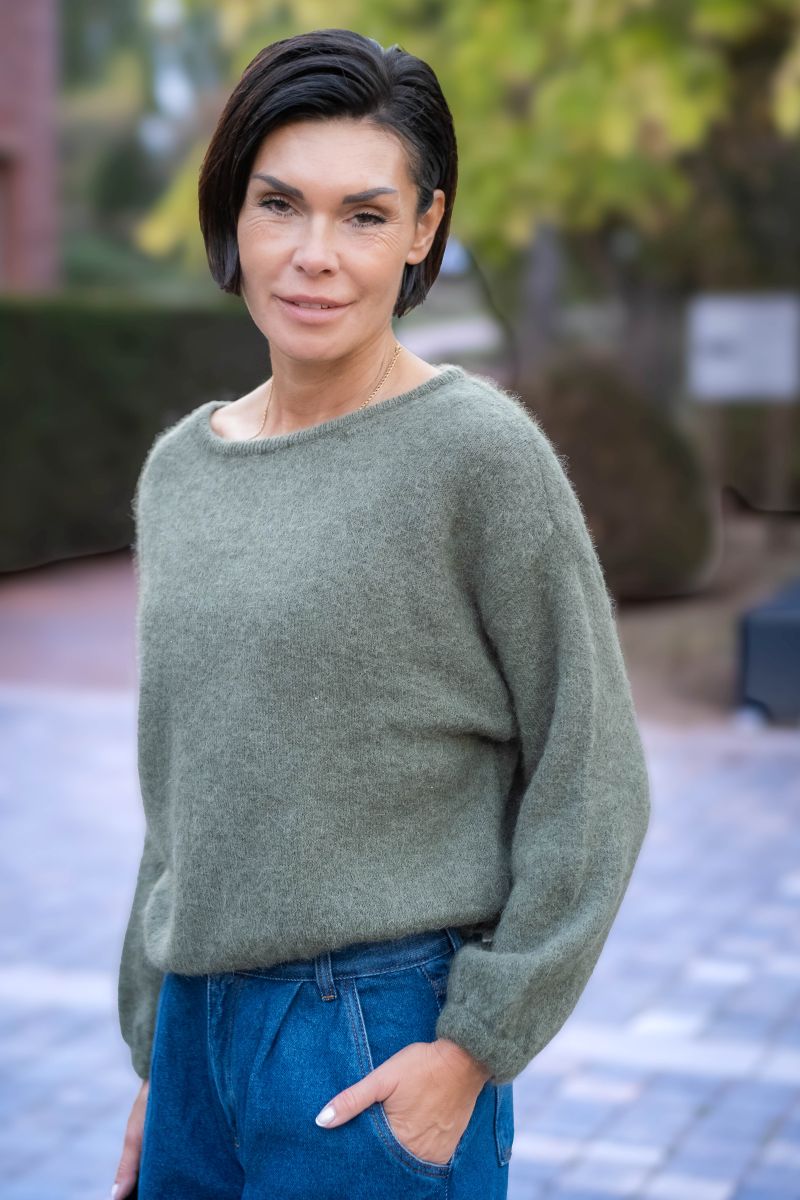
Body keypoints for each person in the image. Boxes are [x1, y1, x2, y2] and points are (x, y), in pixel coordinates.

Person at [111, 27, 651, 1200]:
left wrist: (472, 1049)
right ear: (232, 219)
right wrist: (160, 1060)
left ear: (422, 230)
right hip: (194, 1047)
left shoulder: (478, 457)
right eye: (278, 205)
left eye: (363, 214)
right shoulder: (180, 470)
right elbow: (181, 793)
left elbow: (593, 770)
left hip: (370, 1038)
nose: (313, 255)